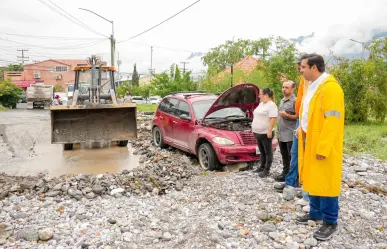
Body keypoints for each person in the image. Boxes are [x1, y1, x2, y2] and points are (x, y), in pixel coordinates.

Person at [295, 53, 345, 241]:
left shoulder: (330, 89)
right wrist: (301, 128)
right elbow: (309, 112)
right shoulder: (312, 86)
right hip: (310, 139)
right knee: (312, 177)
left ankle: (330, 221)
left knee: (326, 182)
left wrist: (324, 148)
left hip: (323, 143)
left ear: (314, 68)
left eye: (303, 67)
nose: (301, 70)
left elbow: (333, 121)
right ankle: (315, 213)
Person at [274, 54, 310, 201]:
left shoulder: (316, 85)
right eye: (299, 67)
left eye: (302, 67)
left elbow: (299, 112)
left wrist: (289, 117)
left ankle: (302, 185)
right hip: (291, 129)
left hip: (296, 129)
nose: (300, 70)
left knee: (296, 156)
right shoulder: (304, 82)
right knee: (291, 157)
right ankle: (290, 180)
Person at [251, 88, 278, 178]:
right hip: (258, 132)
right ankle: (261, 167)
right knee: (261, 151)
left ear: (266, 95)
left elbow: (273, 118)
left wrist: (269, 130)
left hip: (265, 133)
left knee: (268, 152)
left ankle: (267, 170)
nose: (259, 96)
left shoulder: (271, 105)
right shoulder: (261, 104)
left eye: (260, 94)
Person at [274, 80, 297, 182]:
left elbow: (298, 117)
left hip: (290, 134)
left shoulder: (295, 101)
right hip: (281, 133)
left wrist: (287, 115)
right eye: (283, 87)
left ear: (293, 89)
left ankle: (294, 177)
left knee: (292, 157)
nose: (284, 89)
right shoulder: (282, 100)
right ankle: (285, 173)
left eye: (286, 88)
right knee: (284, 156)